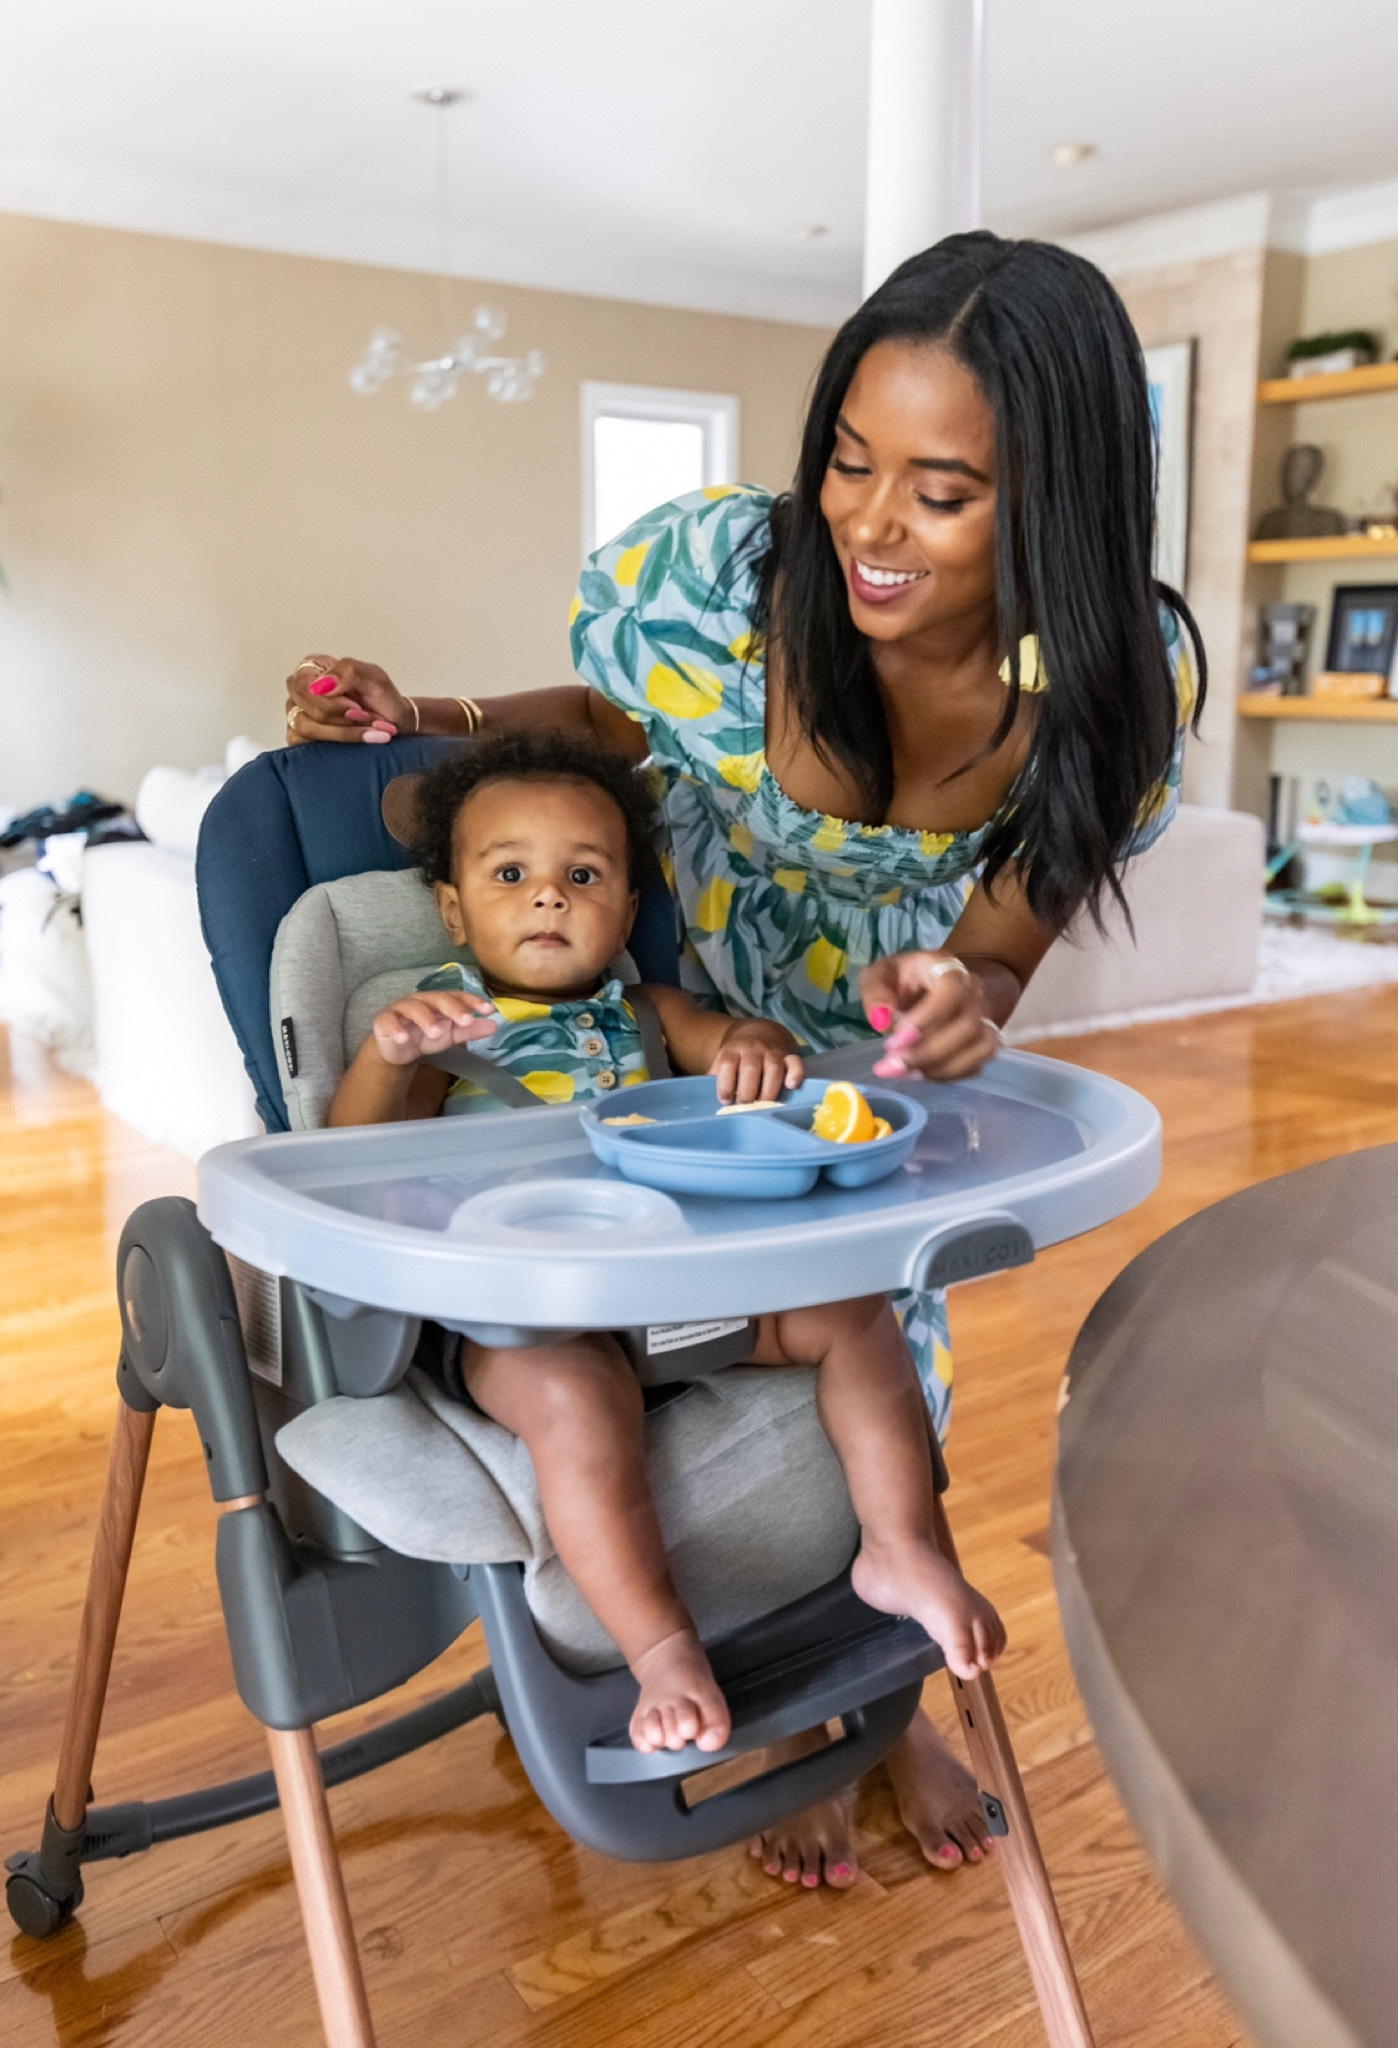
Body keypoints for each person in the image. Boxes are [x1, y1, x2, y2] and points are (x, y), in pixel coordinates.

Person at [284, 230, 1205, 1883]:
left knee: (885, 1326)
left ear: (1056, 503)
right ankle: (759, 1687)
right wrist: (429, 707)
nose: (866, 522)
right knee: (681, 1335)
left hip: (868, 1052)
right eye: (850, 459)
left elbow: (1013, 924)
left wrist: (975, 991)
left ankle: (880, 1689)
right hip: (684, 1009)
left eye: (940, 490)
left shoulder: (1104, 675)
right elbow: (614, 719)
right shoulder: (721, 578)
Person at [329, 731, 1006, 1755]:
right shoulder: (446, 1024)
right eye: (510, 873)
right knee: (573, 1397)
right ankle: (659, 1647)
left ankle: (898, 1546)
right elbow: (348, 1160)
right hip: (524, 1321)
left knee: (850, 1312)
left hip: (668, 1301)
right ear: (454, 908)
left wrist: (751, 1050)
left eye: (583, 874)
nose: (548, 896)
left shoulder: (646, 1010)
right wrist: (391, 1054)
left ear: (628, 910)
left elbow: (743, 1046)